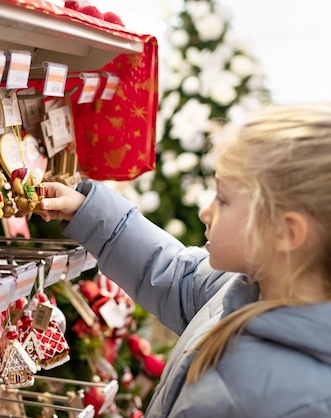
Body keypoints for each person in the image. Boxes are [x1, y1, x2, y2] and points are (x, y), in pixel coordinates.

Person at [38, 104, 331, 417]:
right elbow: (176, 276)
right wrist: (89, 211)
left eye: (222, 199)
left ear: (286, 233)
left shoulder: (296, 400)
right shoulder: (252, 286)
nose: (206, 213)